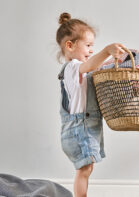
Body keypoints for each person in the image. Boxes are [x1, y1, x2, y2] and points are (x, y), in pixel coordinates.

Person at [55, 12, 125, 197]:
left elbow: (97, 67)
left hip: (85, 127)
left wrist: (118, 57)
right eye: (88, 45)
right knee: (84, 170)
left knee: (87, 168)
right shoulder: (72, 68)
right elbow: (92, 66)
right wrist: (106, 51)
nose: (92, 50)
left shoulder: (80, 70)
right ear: (70, 46)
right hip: (79, 129)